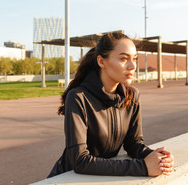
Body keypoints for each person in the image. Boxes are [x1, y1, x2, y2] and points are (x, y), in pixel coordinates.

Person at [48, 31, 174, 178]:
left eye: (134, 59)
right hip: (66, 178)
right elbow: (79, 161)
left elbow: (133, 143)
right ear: (101, 61)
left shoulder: (132, 96)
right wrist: (143, 167)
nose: (132, 66)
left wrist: (157, 158)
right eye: (123, 59)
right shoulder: (78, 98)